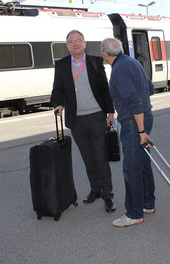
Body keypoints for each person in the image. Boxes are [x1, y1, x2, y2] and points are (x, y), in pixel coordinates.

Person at [51, 30, 116, 213]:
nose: (75, 43)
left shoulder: (95, 62)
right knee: (88, 158)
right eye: (71, 41)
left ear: (85, 43)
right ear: (67, 46)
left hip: (96, 116)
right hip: (76, 119)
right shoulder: (62, 65)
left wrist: (110, 111)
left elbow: (104, 88)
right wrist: (58, 104)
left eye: (78, 40)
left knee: (100, 158)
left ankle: (108, 196)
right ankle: (95, 190)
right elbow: (57, 89)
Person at [100, 38, 155, 227]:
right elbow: (150, 88)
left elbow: (133, 100)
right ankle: (148, 204)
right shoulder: (132, 62)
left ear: (105, 54)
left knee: (131, 168)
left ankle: (134, 213)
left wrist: (141, 131)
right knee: (144, 163)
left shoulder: (119, 70)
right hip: (146, 116)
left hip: (134, 123)